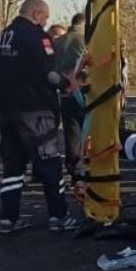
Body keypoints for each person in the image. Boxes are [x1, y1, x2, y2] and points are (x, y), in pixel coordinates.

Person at [0, 0, 78, 234]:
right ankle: (59, 216)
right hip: (36, 111)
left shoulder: (4, 36)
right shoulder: (37, 37)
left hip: (8, 111)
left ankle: (8, 218)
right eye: (45, 17)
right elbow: (47, 71)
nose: (46, 22)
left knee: (13, 167)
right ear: (35, 13)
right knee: (50, 164)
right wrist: (66, 85)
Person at [53, 13, 86, 182]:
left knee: (71, 134)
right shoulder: (87, 40)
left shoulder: (57, 42)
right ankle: (86, 168)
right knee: (87, 132)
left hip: (64, 92)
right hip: (84, 92)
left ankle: (73, 168)